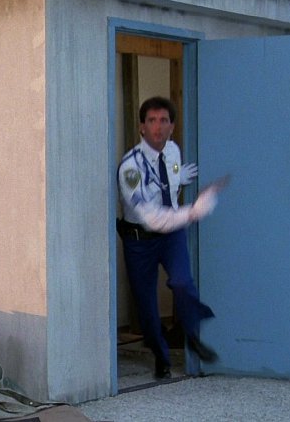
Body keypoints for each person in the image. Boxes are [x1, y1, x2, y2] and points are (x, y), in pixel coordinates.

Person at [116, 96, 219, 379]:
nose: (158, 127)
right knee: (147, 305)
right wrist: (194, 212)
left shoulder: (173, 151)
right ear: (141, 127)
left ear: (172, 126)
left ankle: (191, 336)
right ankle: (161, 356)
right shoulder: (130, 168)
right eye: (151, 121)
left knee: (183, 282)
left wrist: (178, 177)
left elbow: (169, 177)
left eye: (164, 121)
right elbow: (151, 217)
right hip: (140, 239)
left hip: (171, 234)